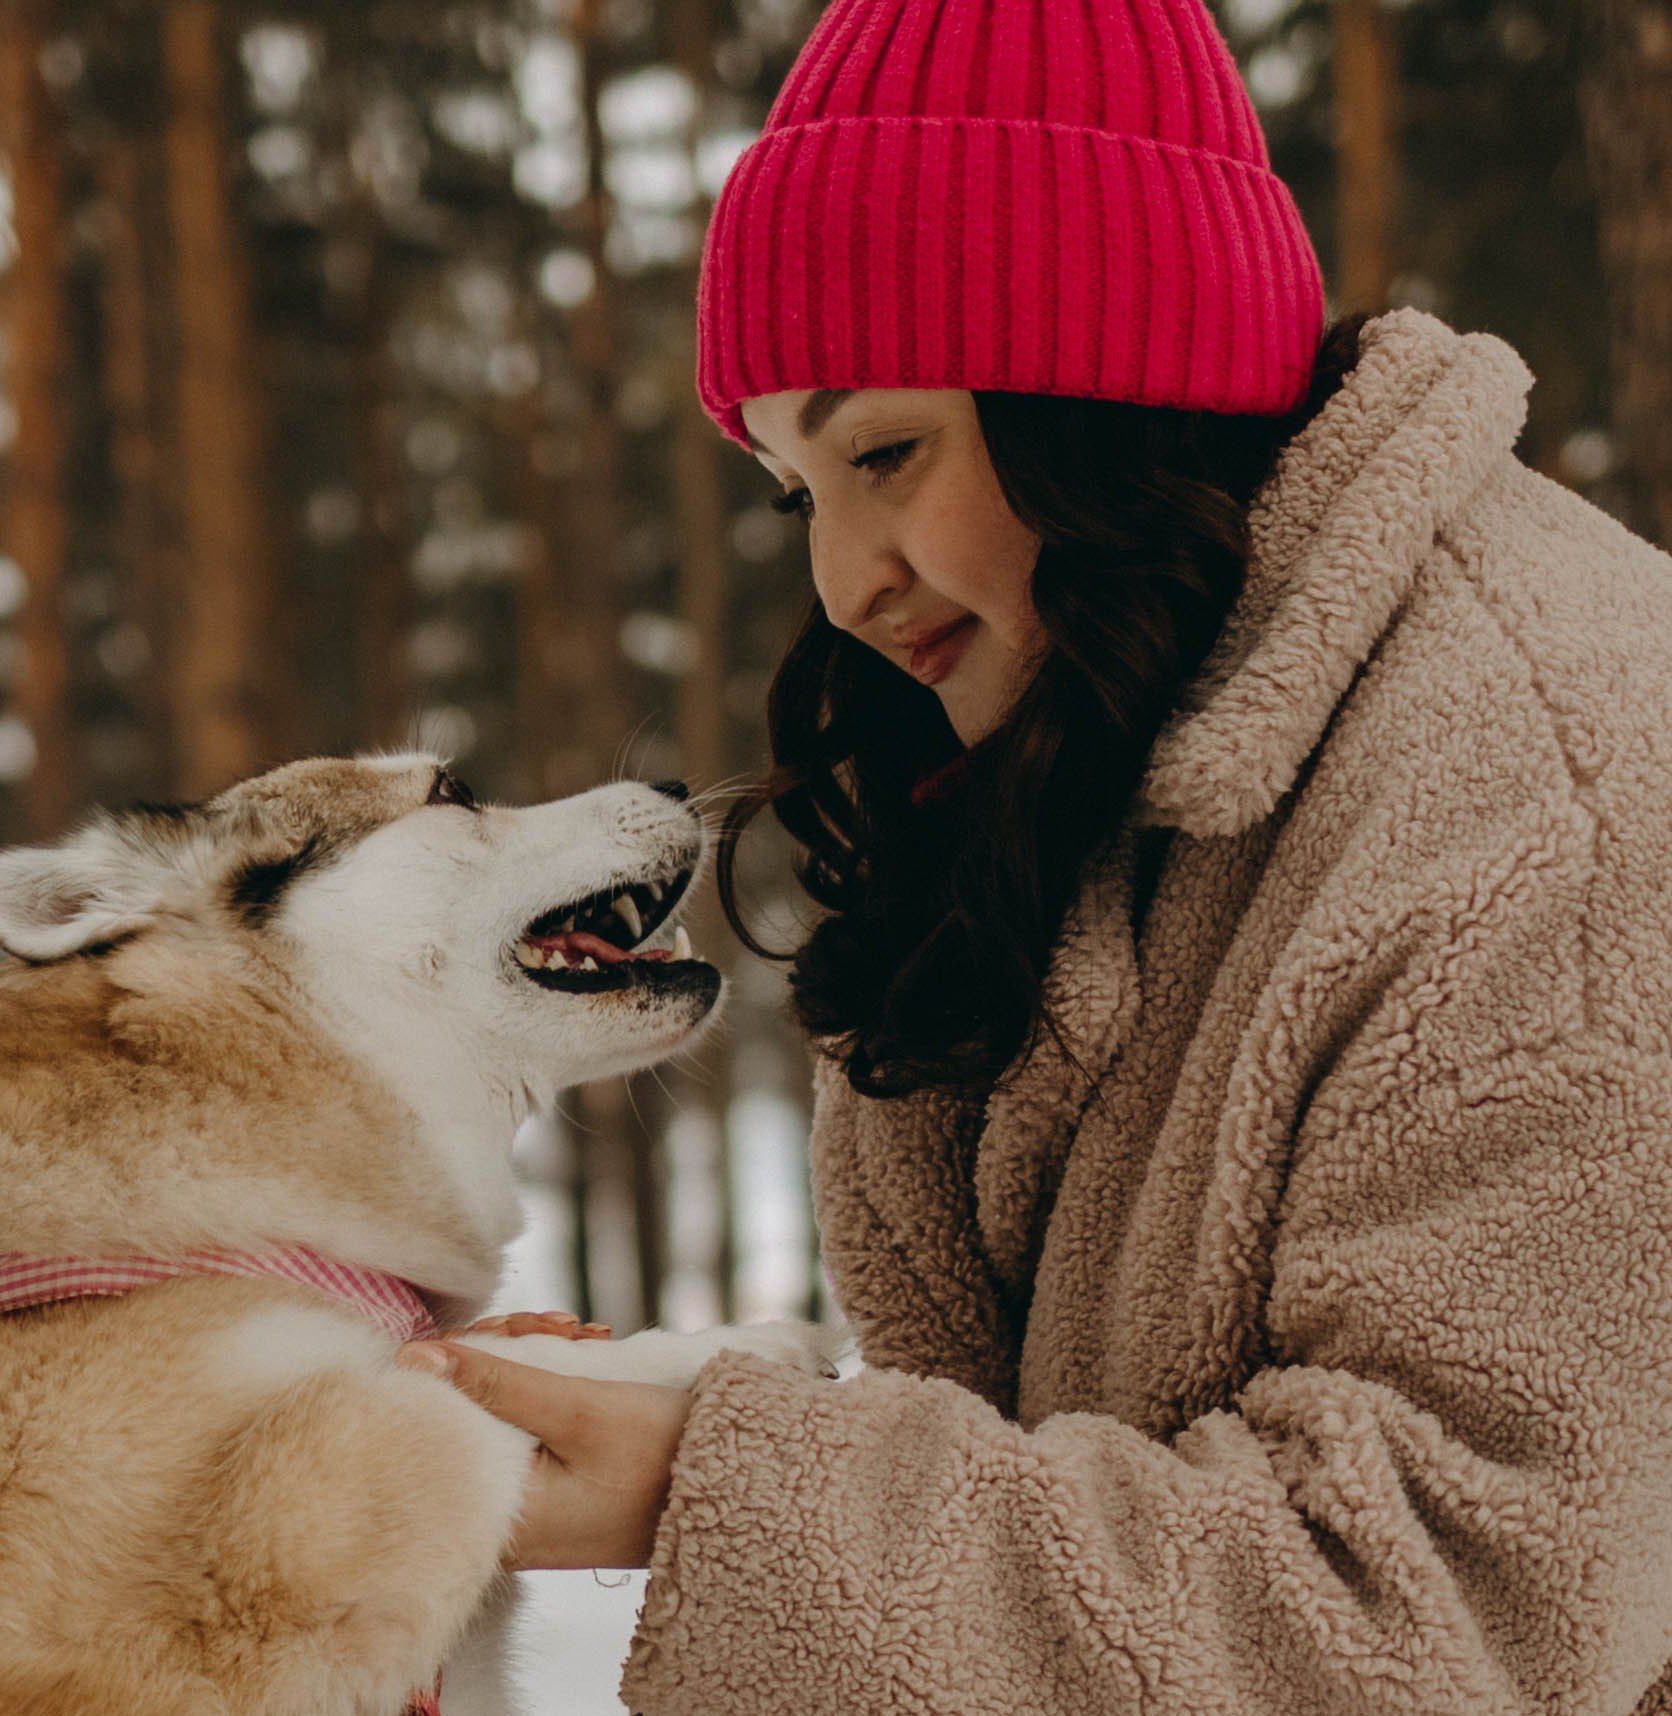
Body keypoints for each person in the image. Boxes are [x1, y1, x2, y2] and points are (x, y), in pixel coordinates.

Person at [397, 0, 1672, 1709]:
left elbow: (1455, 1610)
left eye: (885, 453)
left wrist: (726, 1490)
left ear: (1112, 367)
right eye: (798, 493)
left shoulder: (1555, 808)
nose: (845, 579)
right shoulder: (1107, 737)